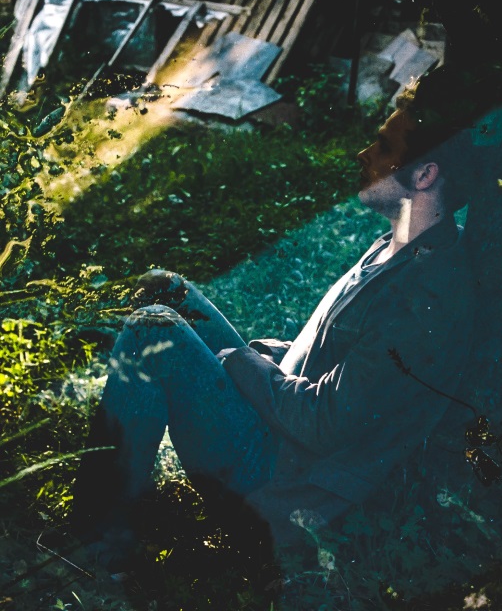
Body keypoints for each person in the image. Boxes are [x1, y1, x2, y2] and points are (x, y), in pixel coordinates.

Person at [71, 77, 477, 563]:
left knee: (152, 328)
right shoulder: (394, 246)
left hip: (283, 482)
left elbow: (326, 421)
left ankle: (97, 542)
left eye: (384, 146)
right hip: (278, 426)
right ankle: (119, 493)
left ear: (425, 174)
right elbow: (336, 360)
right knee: (165, 288)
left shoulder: (427, 294)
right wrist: (265, 354)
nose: (364, 154)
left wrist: (242, 363)